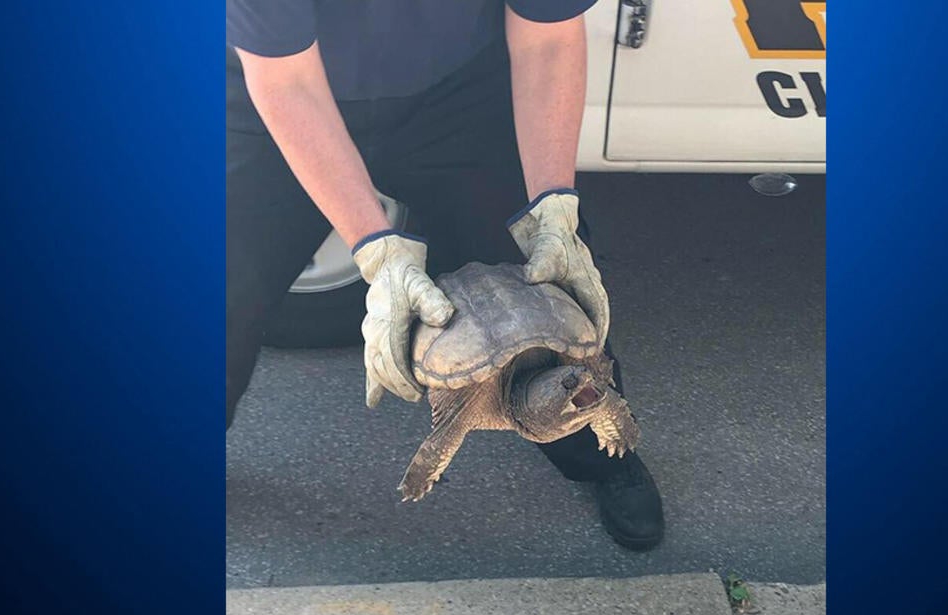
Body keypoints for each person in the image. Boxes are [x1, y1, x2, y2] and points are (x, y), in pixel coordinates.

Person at [226, 0, 664, 550]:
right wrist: (377, 252)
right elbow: (286, 80)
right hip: (276, 93)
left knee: (547, 271)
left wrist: (552, 208)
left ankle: (598, 449)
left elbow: (548, 38)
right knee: (217, 292)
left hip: (456, 91)